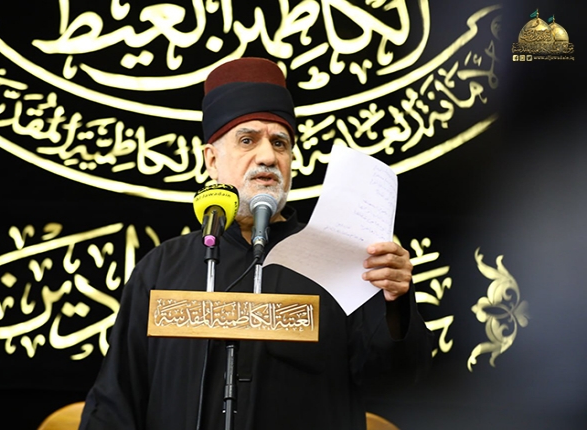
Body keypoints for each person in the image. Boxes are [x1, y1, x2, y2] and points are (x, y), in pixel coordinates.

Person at [79, 57, 434, 430]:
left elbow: (398, 379)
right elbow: (115, 402)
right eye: (247, 140)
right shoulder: (163, 268)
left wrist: (395, 302)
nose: (267, 157)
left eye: (280, 143)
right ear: (211, 160)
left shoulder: (340, 262)